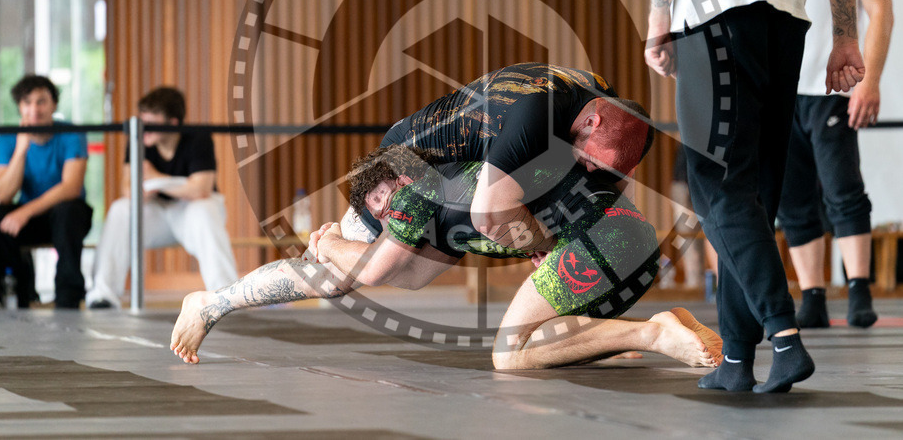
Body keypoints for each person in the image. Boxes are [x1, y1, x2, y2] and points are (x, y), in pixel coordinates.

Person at [645, 0, 865, 393]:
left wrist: (660, 11)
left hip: (712, 14)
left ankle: (783, 335)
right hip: (786, 17)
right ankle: (738, 359)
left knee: (716, 187)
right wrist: (844, 33)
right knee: (755, 194)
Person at [170, 145, 723, 371]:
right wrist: (219, 303)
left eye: (382, 203)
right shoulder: (446, 214)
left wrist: (326, 242)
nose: (388, 219)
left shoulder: (420, 190)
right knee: (553, 343)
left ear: (397, 180)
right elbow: (397, 277)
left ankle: (651, 334)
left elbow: (376, 267)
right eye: (379, 215)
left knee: (510, 356)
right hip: (629, 242)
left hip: (604, 240)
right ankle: (214, 303)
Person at [341, 62, 654, 260]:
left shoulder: (614, 111)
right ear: (590, 123)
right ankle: (325, 244)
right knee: (372, 267)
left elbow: (612, 188)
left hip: (467, 161)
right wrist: (551, 246)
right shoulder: (536, 114)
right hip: (404, 159)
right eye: (591, 159)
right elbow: (488, 216)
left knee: (574, 212)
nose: (589, 169)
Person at [776, 0, 895, 328]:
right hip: (780, 91)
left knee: (843, 190)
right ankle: (813, 296)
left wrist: (871, 81)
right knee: (792, 200)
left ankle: (859, 289)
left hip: (832, 88)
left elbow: (880, 11)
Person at [87, 87, 238, 308]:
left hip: (191, 214)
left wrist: (156, 178)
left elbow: (201, 189)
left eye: (151, 122)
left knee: (203, 209)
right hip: (156, 213)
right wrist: (151, 188)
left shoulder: (198, 138)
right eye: (143, 119)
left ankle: (226, 298)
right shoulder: (139, 136)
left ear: (173, 122)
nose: (144, 127)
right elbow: (128, 189)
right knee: (121, 209)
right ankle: (103, 294)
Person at [0, 75, 91, 309]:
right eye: (27, 103)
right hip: (31, 220)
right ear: (19, 107)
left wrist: (25, 211)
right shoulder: (9, 138)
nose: (34, 109)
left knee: (68, 211)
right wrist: (21, 149)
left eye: (41, 102)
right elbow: (4, 194)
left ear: (54, 105)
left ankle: (68, 297)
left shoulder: (72, 133)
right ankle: (12, 290)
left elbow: (71, 187)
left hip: (66, 217)